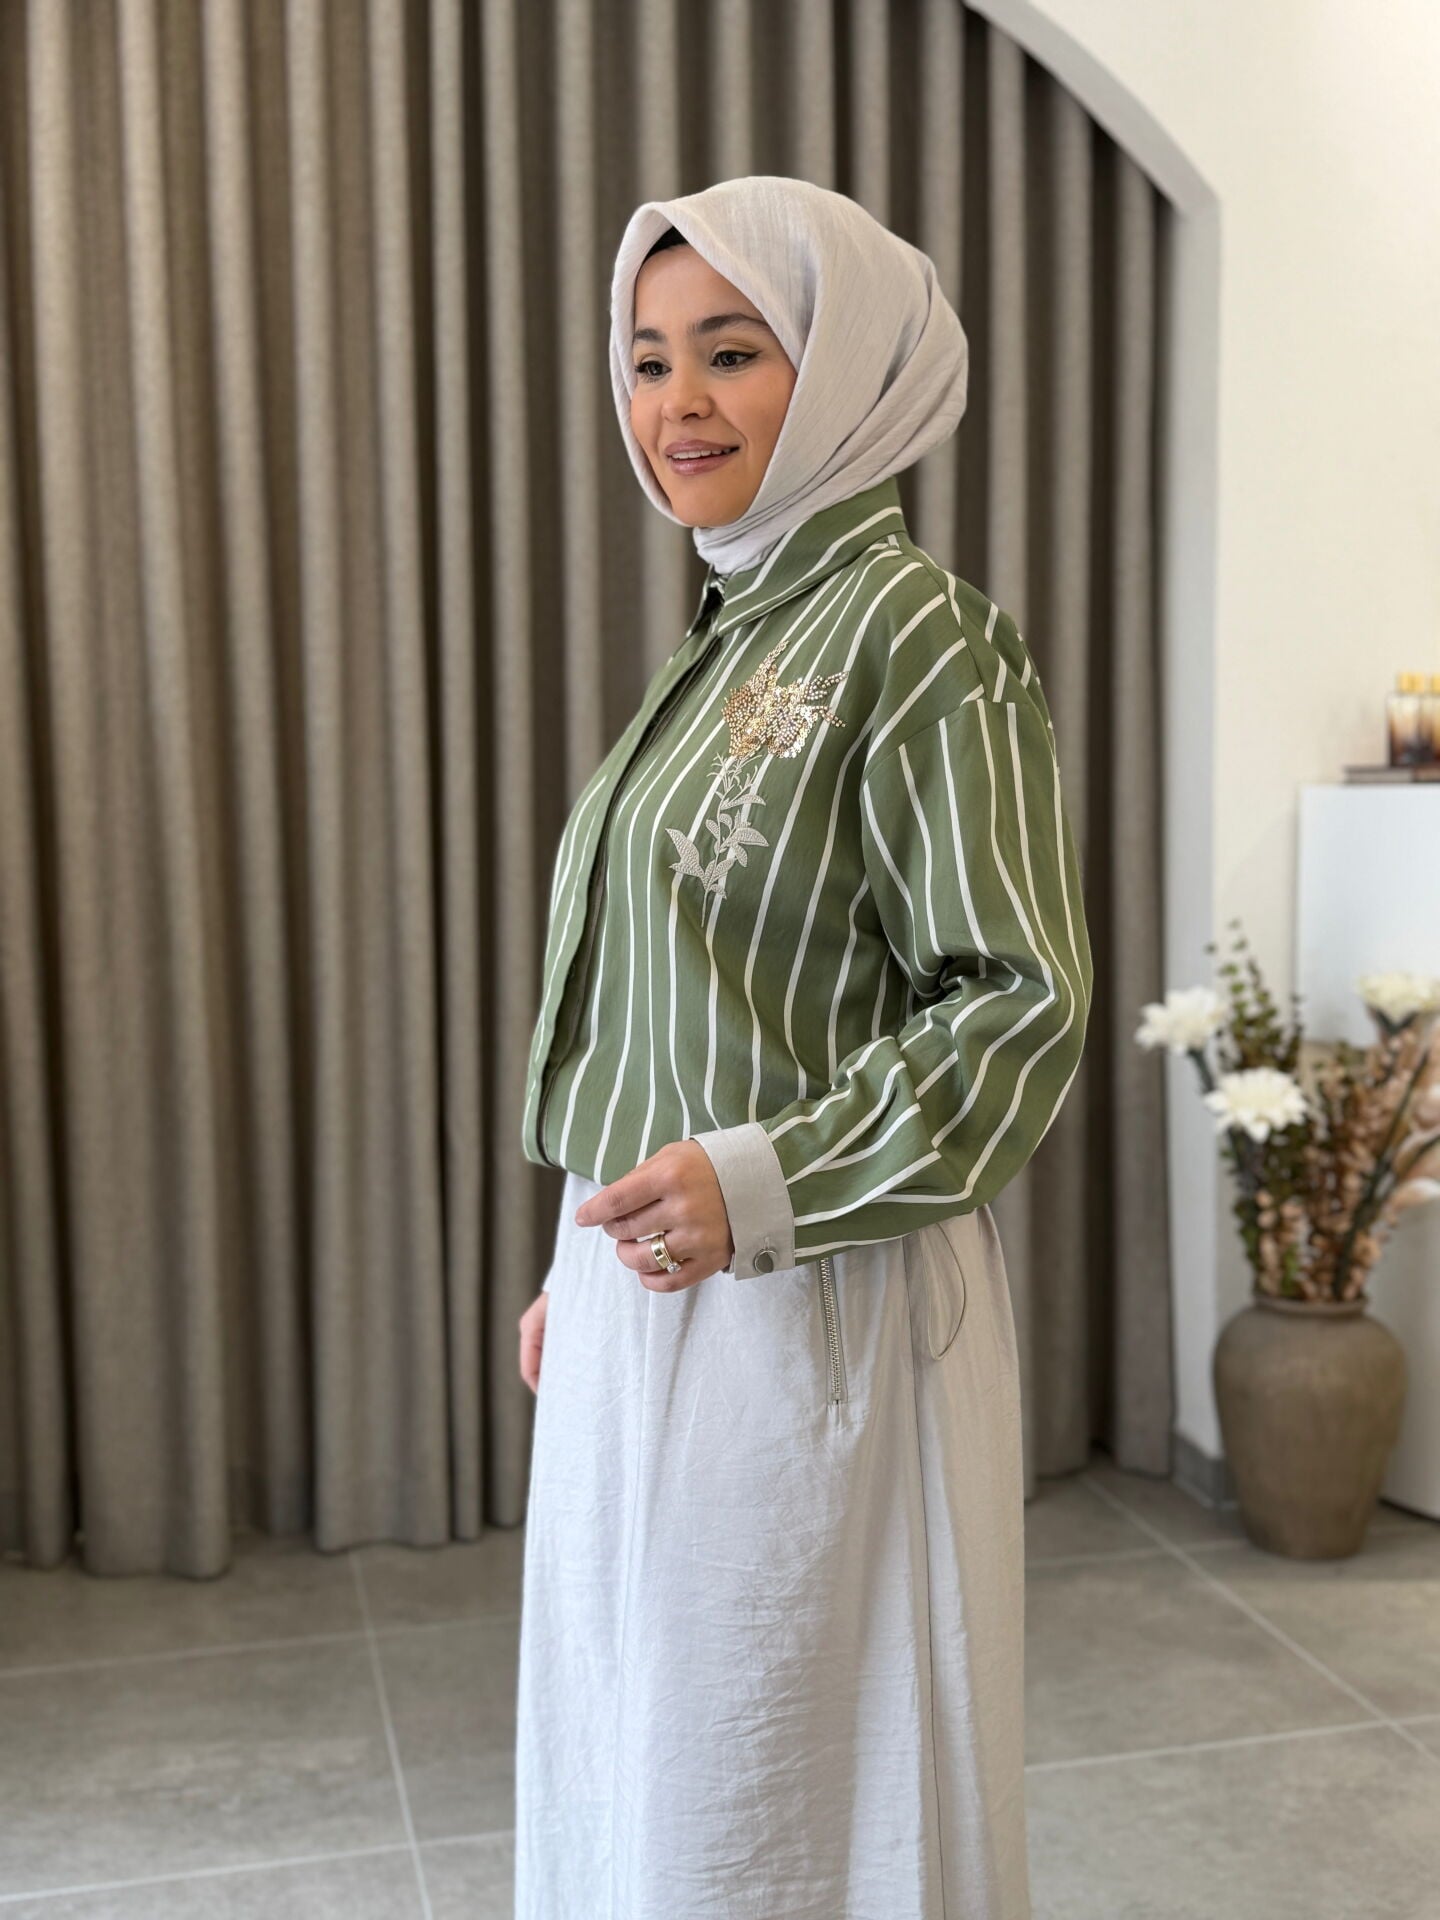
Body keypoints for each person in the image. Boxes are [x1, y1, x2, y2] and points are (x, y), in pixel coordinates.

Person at [513, 175, 1093, 1920]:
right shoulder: (729, 634)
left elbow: (1015, 998)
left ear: (843, 371)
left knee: (774, 1799)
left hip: (809, 1305)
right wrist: (588, 1260)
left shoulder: (918, 637)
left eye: (732, 352)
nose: (675, 405)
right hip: (650, 1290)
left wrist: (759, 1185)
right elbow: (684, 998)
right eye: (646, 360)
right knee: (634, 1771)